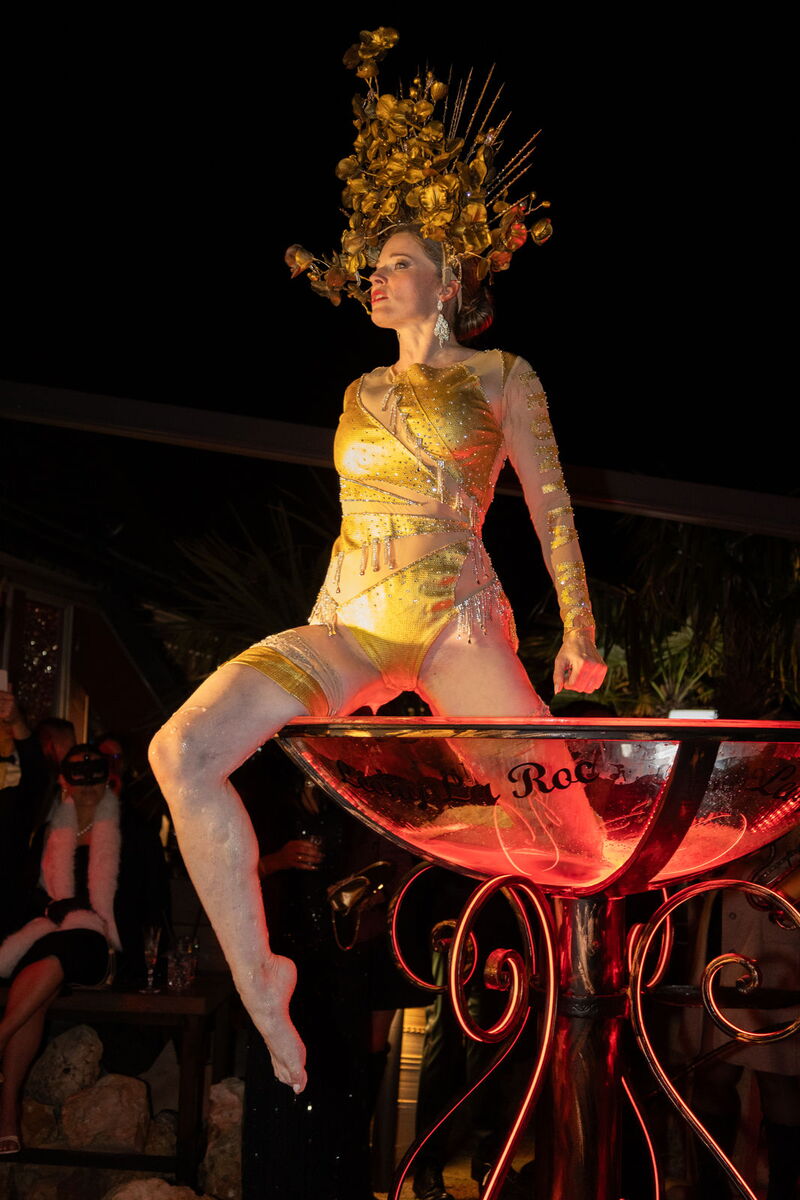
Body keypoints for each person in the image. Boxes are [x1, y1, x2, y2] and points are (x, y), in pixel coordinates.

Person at [148, 28, 607, 1097]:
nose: (377, 276)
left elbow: (549, 504)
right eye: (375, 264)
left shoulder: (501, 375)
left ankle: (554, 970)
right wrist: (317, 637)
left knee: (574, 839)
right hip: (351, 616)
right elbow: (352, 517)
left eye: (399, 263)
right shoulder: (358, 391)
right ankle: (261, 976)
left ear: (447, 279)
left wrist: (580, 625)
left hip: (453, 621)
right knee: (183, 750)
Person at [0, 743, 168, 1154]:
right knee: (38, 992)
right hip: (51, 936)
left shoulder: (134, 832)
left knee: (63, 949)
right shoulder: (48, 831)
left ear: (109, 779)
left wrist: (152, 963)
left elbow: (154, 902)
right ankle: (7, 1115)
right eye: (79, 777)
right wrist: (51, 907)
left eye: (97, 777)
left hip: (106, 944)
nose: (89, 786)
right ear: (64, 782)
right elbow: (25, 896)